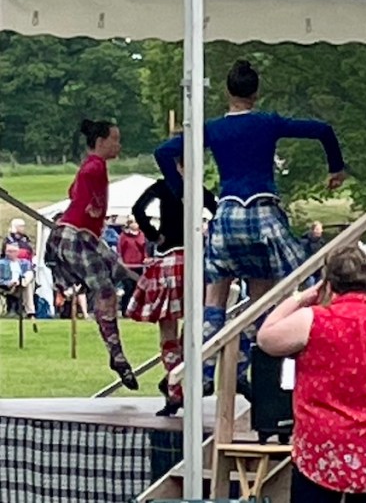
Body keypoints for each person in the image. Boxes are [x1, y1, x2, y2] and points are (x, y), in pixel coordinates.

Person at [155, 60, 346, 398]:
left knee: (215, 295)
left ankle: (206, 372)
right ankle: (244, 365)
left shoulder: (211, 128)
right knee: (269, 295)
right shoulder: (267, 122)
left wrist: (183, 191)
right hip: (263, 214)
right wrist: (336, 168)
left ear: (228, 92)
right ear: (256, 93)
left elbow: (164, 152)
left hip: (227, 216)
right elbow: (322, 130)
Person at [257, 247, 366, 503]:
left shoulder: (311, 320)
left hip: (321, 447)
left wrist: (302, 297)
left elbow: (265, 338)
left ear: (329, 282)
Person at [45, 119, 139, 389]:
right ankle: (116, 353)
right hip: (77, 235)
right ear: (101, 142)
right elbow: (83, 188)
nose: (118, 145)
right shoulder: (95, 167)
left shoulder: (92, 166)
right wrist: (94, 207)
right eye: (115, 139)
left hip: (82, 235)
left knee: (119, 274)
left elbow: (72, 191)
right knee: (106, 290)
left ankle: (116, 350)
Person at [126, 156, 218, 416]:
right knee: (190, 327)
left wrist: (154, 234)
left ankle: (174, 388)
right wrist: (206, 233)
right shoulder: (197, 188)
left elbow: (137, 208)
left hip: (169, 259)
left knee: (167, 329)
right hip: (194, 260)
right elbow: (217, 210)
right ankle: (176, 382)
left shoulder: (163, 185)